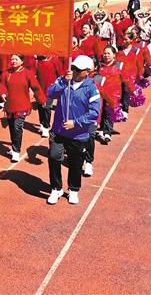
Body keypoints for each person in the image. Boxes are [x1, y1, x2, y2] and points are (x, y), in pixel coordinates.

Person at [46, 55, 101, 205]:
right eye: (74, 68)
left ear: (87, 71)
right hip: (58, 130)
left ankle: (73, 189)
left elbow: (94, 113)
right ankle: (56, 188)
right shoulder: (63, 81)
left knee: (76, 163)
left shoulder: (91, 89)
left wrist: (75, 123)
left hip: (78, 134)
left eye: (78, 69)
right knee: (54, 157)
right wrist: (64, 81)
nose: (75, 71)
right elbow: (50, 93)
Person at [0, 54, 45, 162]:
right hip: (10, 106)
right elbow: (2, 85)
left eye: (16, 59)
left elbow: (36, 88)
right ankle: (14, 146)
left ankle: (16, 151)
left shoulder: (28, 74)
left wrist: (42, 100)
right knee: (12, 128)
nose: (13, 61)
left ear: (22, 61)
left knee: (17, 128)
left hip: (22, 106)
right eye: (12, 59)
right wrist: (3, 93)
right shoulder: (6, 73)